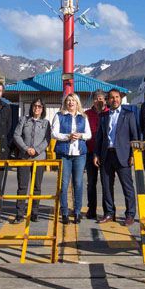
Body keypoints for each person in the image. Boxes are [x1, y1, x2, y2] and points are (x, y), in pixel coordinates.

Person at [95, 89, 139, 226]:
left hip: (123, 155)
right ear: (108, 100)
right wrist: (96, 154)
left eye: (117, 97)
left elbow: (135, 137)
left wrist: (133, 155)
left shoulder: (129, 115)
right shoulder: (103, 116)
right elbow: (99, 137)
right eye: (112, 98)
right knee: (106, 186)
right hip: (106, 154)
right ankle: (109, 213)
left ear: (120, 98)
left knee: (128, 187)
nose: (115, 100)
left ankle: (130, 215)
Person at [52, 93, 91, 224]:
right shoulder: (59, 116)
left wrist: (80, 135)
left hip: (79, 154)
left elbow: (89, 134)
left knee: (78, 183)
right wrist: (67, 136)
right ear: (65, 103)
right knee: (63, 183)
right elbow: (54, 133)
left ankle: (77, 211)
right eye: (68, 100)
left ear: (77, 103)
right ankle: (64, 212)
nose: (70, 103)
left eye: (73, 100)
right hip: (64, 153)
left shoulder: (83, 117)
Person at [11, 98, 51, 223]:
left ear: (43, 109)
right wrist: (25, 148)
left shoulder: (46, 123)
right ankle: (19, 213)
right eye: (35, 106)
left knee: (37, 187)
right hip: (24, 157)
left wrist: (37, 150)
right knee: (22, 186)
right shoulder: (23, 119)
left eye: (40, 106)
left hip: (39, 158)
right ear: (31, 107)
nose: (37, 108)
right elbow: (16, 135)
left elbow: (47, 139)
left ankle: (35, 212)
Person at [83, 90, 108, 219]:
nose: (99, 101)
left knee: (106, 182)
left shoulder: (109, 113)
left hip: (106, 153)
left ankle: (107, 211)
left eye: (101, 98)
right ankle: (91, 209)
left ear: (105, 100)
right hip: (90, 151)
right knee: (91, 182)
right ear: (93, 100)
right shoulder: (86, 114)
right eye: (96, 98)